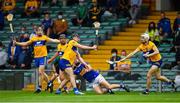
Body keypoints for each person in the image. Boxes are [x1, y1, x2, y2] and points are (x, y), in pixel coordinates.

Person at [14, 26, 60, 93]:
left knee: (40, 72)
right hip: (36, 57)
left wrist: (60, 41)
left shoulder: (44, 37)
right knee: (42, 73)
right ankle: (49, 83)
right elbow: (26, 43)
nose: (40, 31)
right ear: (36, 31)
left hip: (43, 57)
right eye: (38, 30)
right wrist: (17, 43)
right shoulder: (33, 39)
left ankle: (39, 87)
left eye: (41, 30)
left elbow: (53, 40)